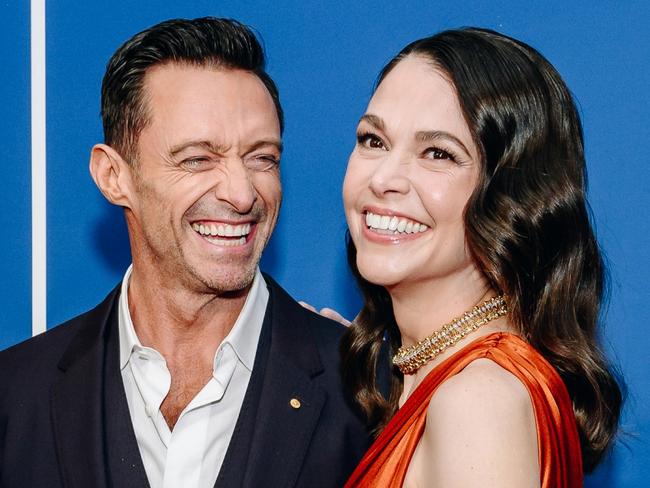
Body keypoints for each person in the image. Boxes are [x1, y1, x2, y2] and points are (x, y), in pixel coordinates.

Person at [0, 17, 373, 488]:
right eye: (197, 159)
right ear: (114, 176)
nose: (242, 194)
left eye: (262, 158)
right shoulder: (14, 397)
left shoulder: (368, 390)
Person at [340, 28, 622, 487]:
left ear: (512, 195)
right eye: (374, 140)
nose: (384, 178)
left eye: (438, 153)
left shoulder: (477, 400)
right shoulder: (438, 374)